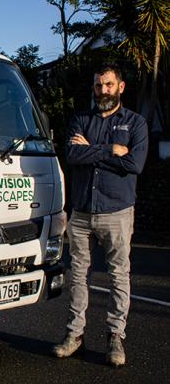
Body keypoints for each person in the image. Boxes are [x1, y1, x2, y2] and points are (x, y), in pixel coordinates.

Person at [53, 64, 148, 367]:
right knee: (78, 276)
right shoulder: (80, 120)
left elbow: (135, 164)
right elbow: (72, 155)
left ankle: (115, 338)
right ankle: (74, 336)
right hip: (80, 213)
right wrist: (111, 150)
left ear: (120, 87)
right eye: (98, 86)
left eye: (108, 85)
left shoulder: (136, 123)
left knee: (119, 276)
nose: (102, 91)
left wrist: (92, 150)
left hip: (116, 212)